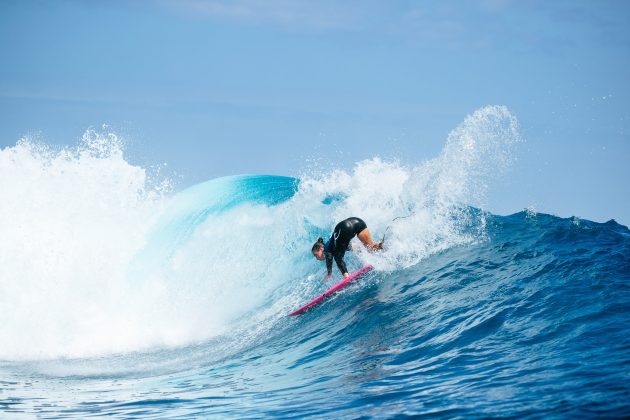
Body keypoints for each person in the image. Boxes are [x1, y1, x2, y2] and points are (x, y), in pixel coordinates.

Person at [311, 217, 383, 279]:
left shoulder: (326, 249)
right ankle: (384, 245)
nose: (316, 258)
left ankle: (346, 277)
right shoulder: (337, 243)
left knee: (337, 257)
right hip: (357, 222)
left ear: (321, 249)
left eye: (316, 255)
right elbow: (352, 247)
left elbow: (329, 258)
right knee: (370, 249)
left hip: (343, 228)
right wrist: (329, 272)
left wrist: (329, 273)